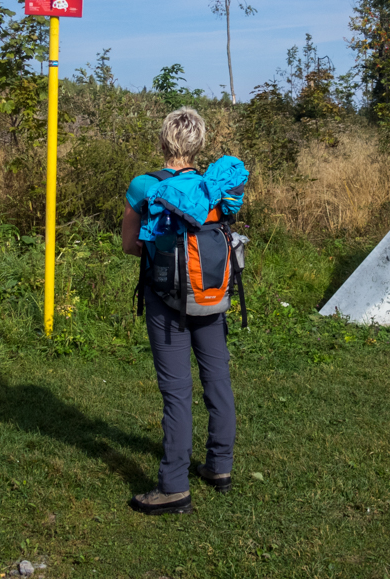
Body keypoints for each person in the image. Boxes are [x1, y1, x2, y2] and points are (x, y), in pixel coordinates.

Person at [121, 106, 236, 515]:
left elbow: (129, 244)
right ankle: (219, 466)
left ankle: (173, 486)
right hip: (210, 295)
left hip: (165, 299)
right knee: (217, 379)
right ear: (199, 143)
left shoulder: (143, 185)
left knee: (176, 391)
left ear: (163, 140)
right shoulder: (213, 186)